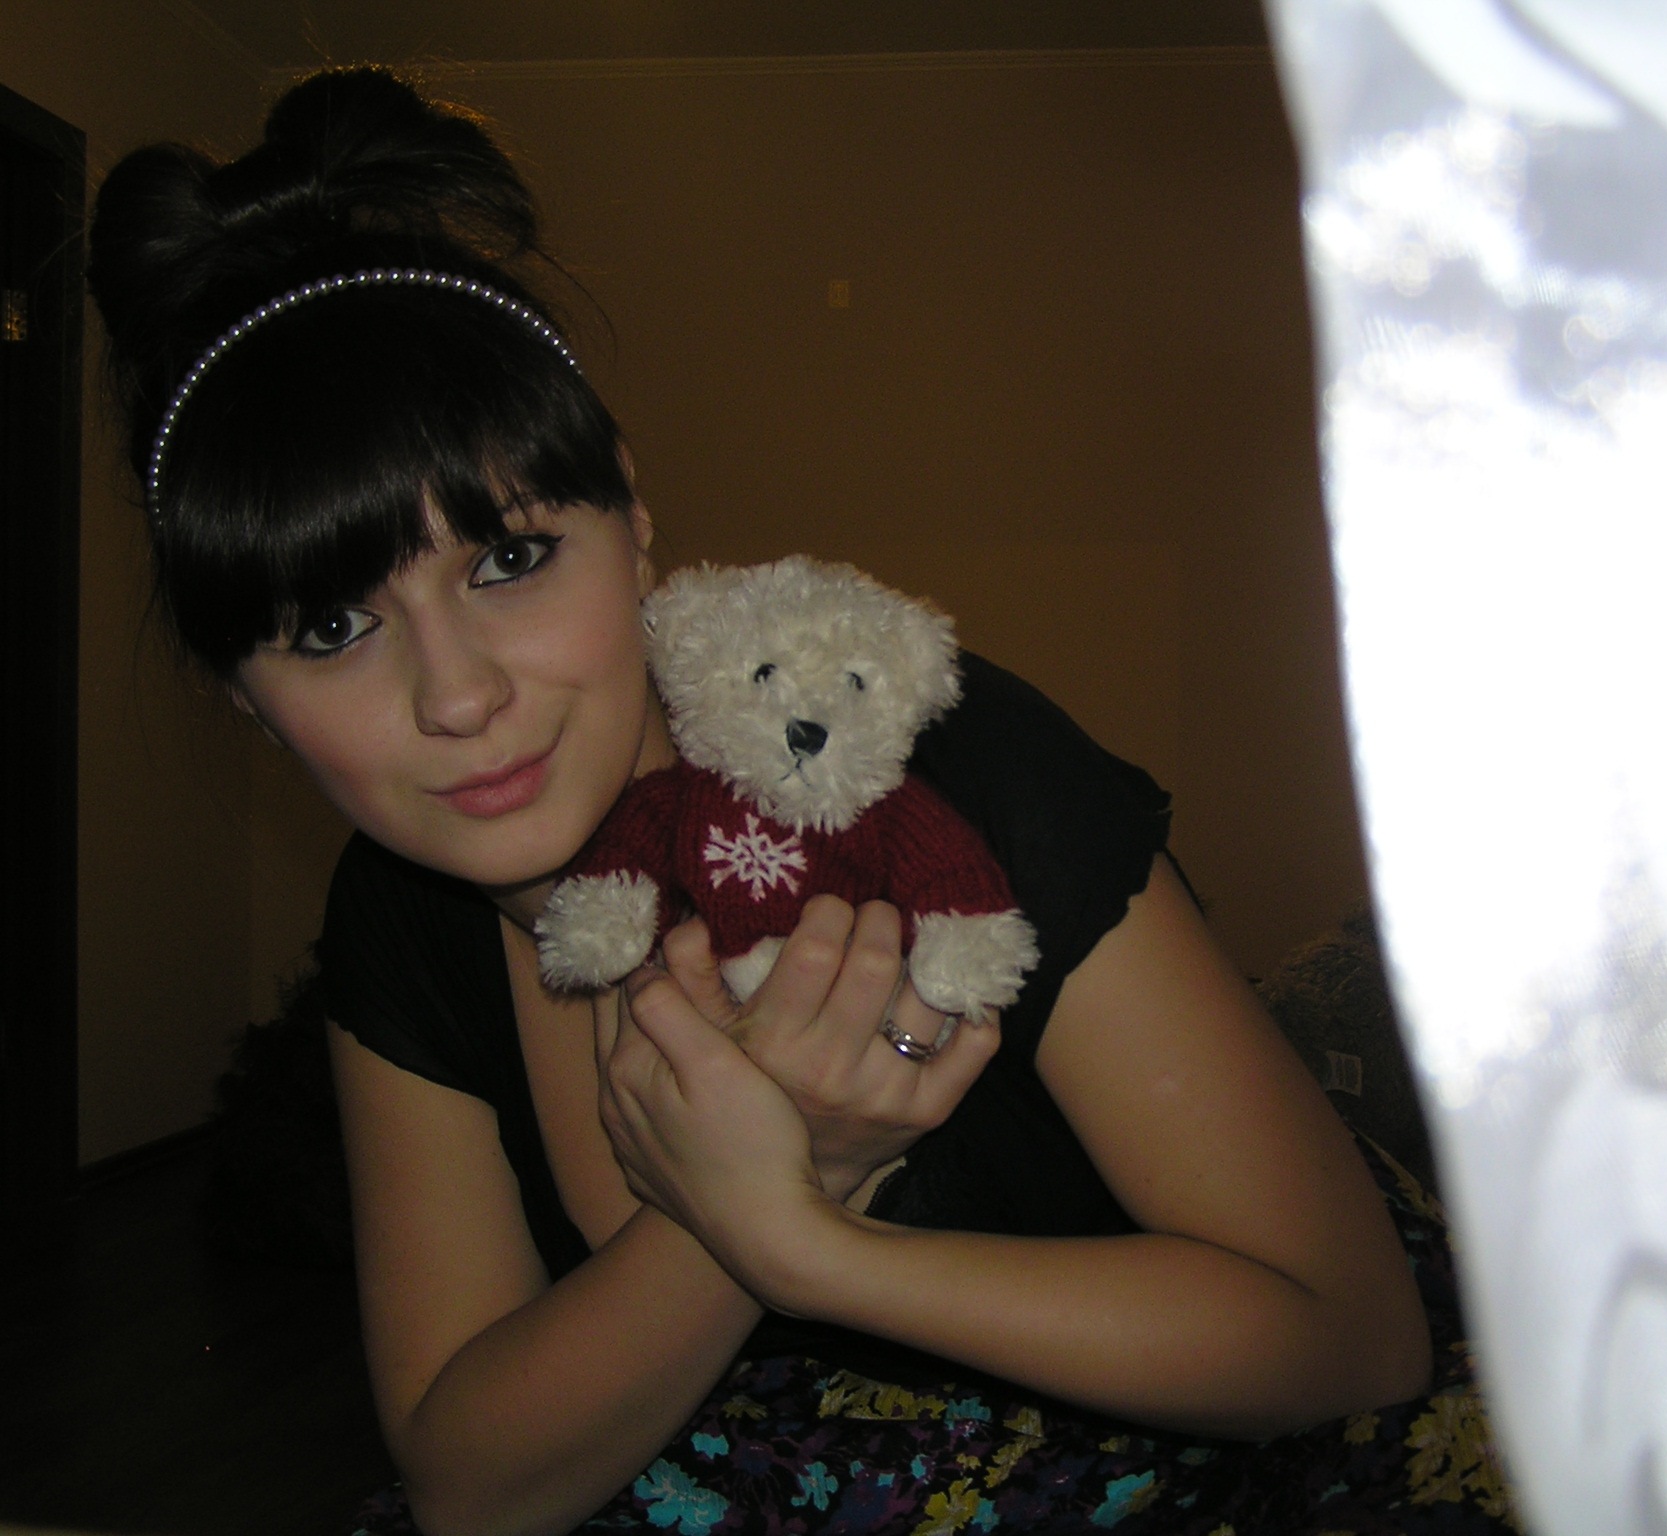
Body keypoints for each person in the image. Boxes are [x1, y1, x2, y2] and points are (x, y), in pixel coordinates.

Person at [88, 68, 1511, 1536]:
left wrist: (805, 1239)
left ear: (631, 515)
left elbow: (1351, 1338)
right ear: (243, 698)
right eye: (331, 629)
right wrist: (769, 1184)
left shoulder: (922, 753)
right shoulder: (398, 916)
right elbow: (470, 1486)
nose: (456, 696)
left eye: (509, 560)